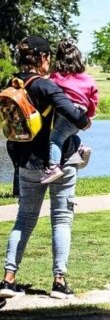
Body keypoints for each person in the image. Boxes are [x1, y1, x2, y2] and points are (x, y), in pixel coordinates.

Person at [1, 36, 90, 300]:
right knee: (61, 219)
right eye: (47, 57)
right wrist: (85, 119)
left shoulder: (13, 84)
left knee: (24, 219)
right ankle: (59, 281)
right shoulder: (47, 86)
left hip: (27, 163)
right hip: (59, 164)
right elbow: (75, 116)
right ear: (41, 58)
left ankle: (8, 279)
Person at [42, 38, 98, 184]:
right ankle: (80, 148)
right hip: (82, 114)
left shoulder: (57, 77)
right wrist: (89, 116)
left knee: (55, 139)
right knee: (69, 135)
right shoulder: (88, 79)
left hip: (67, 112)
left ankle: (54, 167)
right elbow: (94, 99)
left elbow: (47, 87)